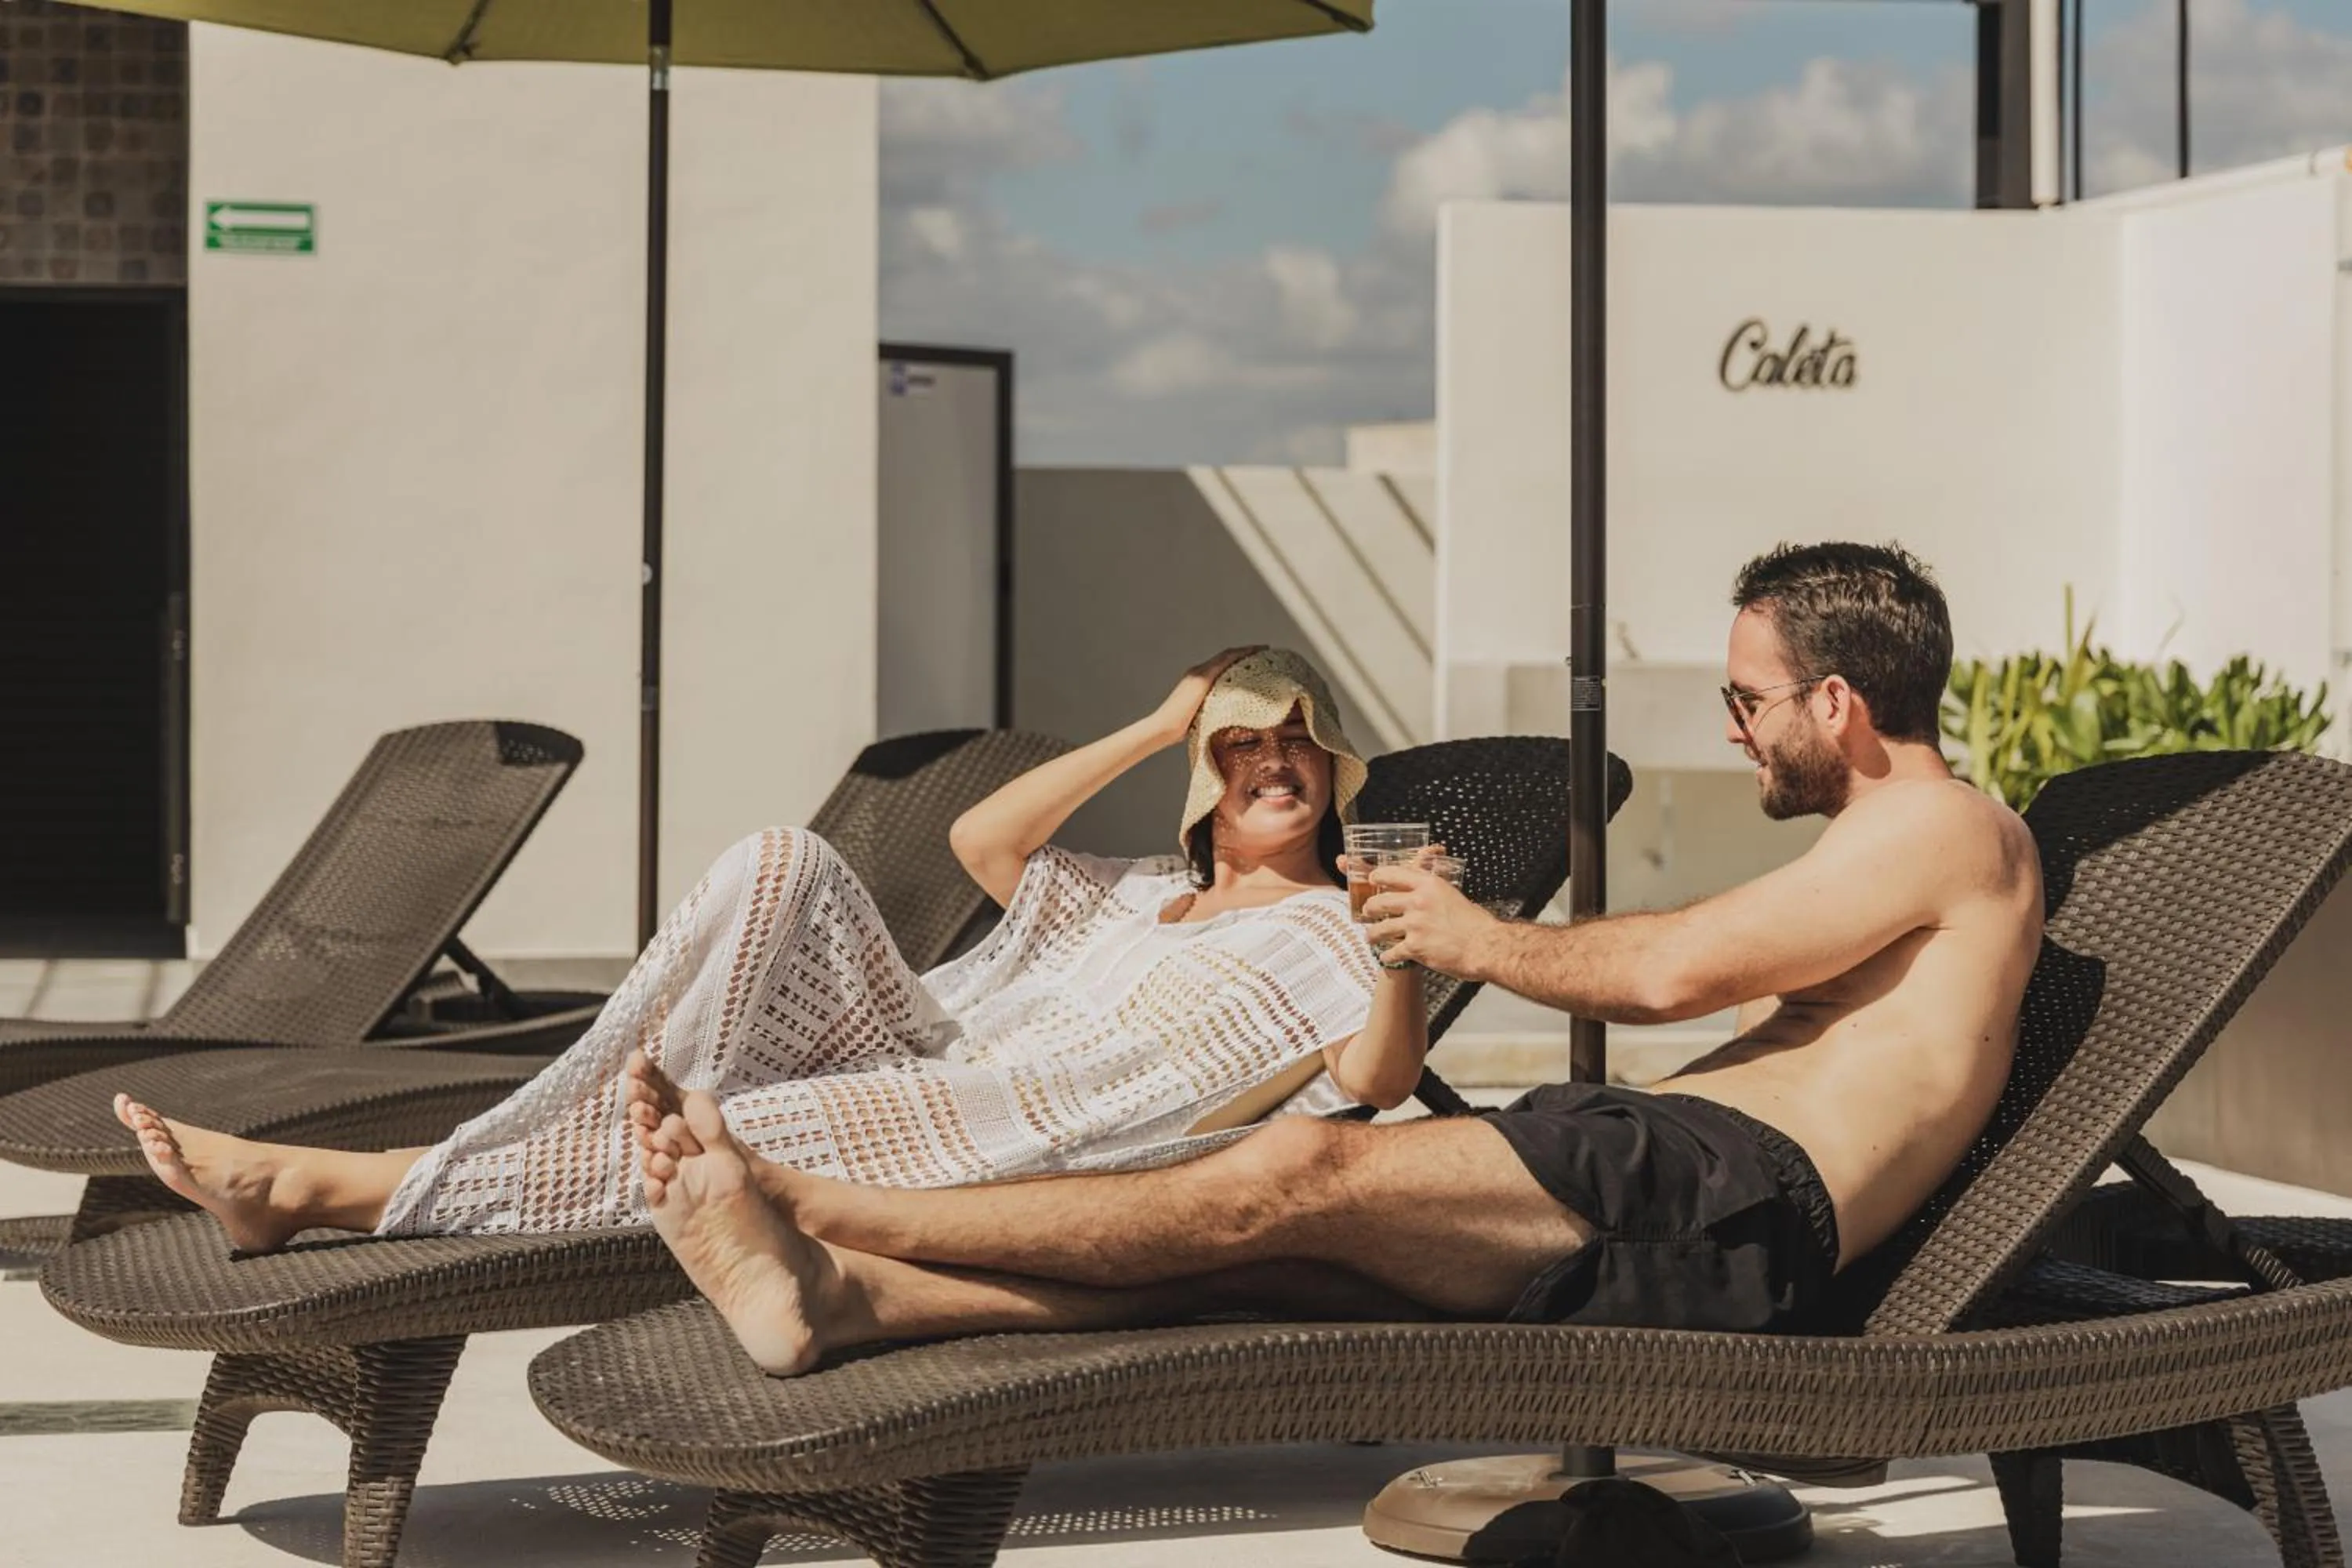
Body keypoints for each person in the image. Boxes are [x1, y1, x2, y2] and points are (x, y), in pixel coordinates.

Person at [610, 540, 2045, 1377]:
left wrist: (1469, 936)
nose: (1735, 729)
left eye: (1749, 701)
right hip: (1667, 1172)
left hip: (1728, 1204)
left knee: (1291, 1175)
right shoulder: (1893, 842)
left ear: (1839, 701)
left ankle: (814, 1204)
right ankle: (843, 1303)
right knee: (1251, 1269)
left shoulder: (1947, 828)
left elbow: (1678, 973)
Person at [115, 648, 1428, 1254]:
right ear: (1204, 787)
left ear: (1333, 773)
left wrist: (1398, 942)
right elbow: (985, 840)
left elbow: (1371, 1085)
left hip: (1028, 1132)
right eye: (1243, 750)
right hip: (940, 1047)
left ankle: (313, 1191)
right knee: (778, 859)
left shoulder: (1334, 926)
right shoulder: (1139, 888)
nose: (1272, 765)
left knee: (742, 1130)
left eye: (1295, 747)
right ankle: (673, 1101)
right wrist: (1158, 721)